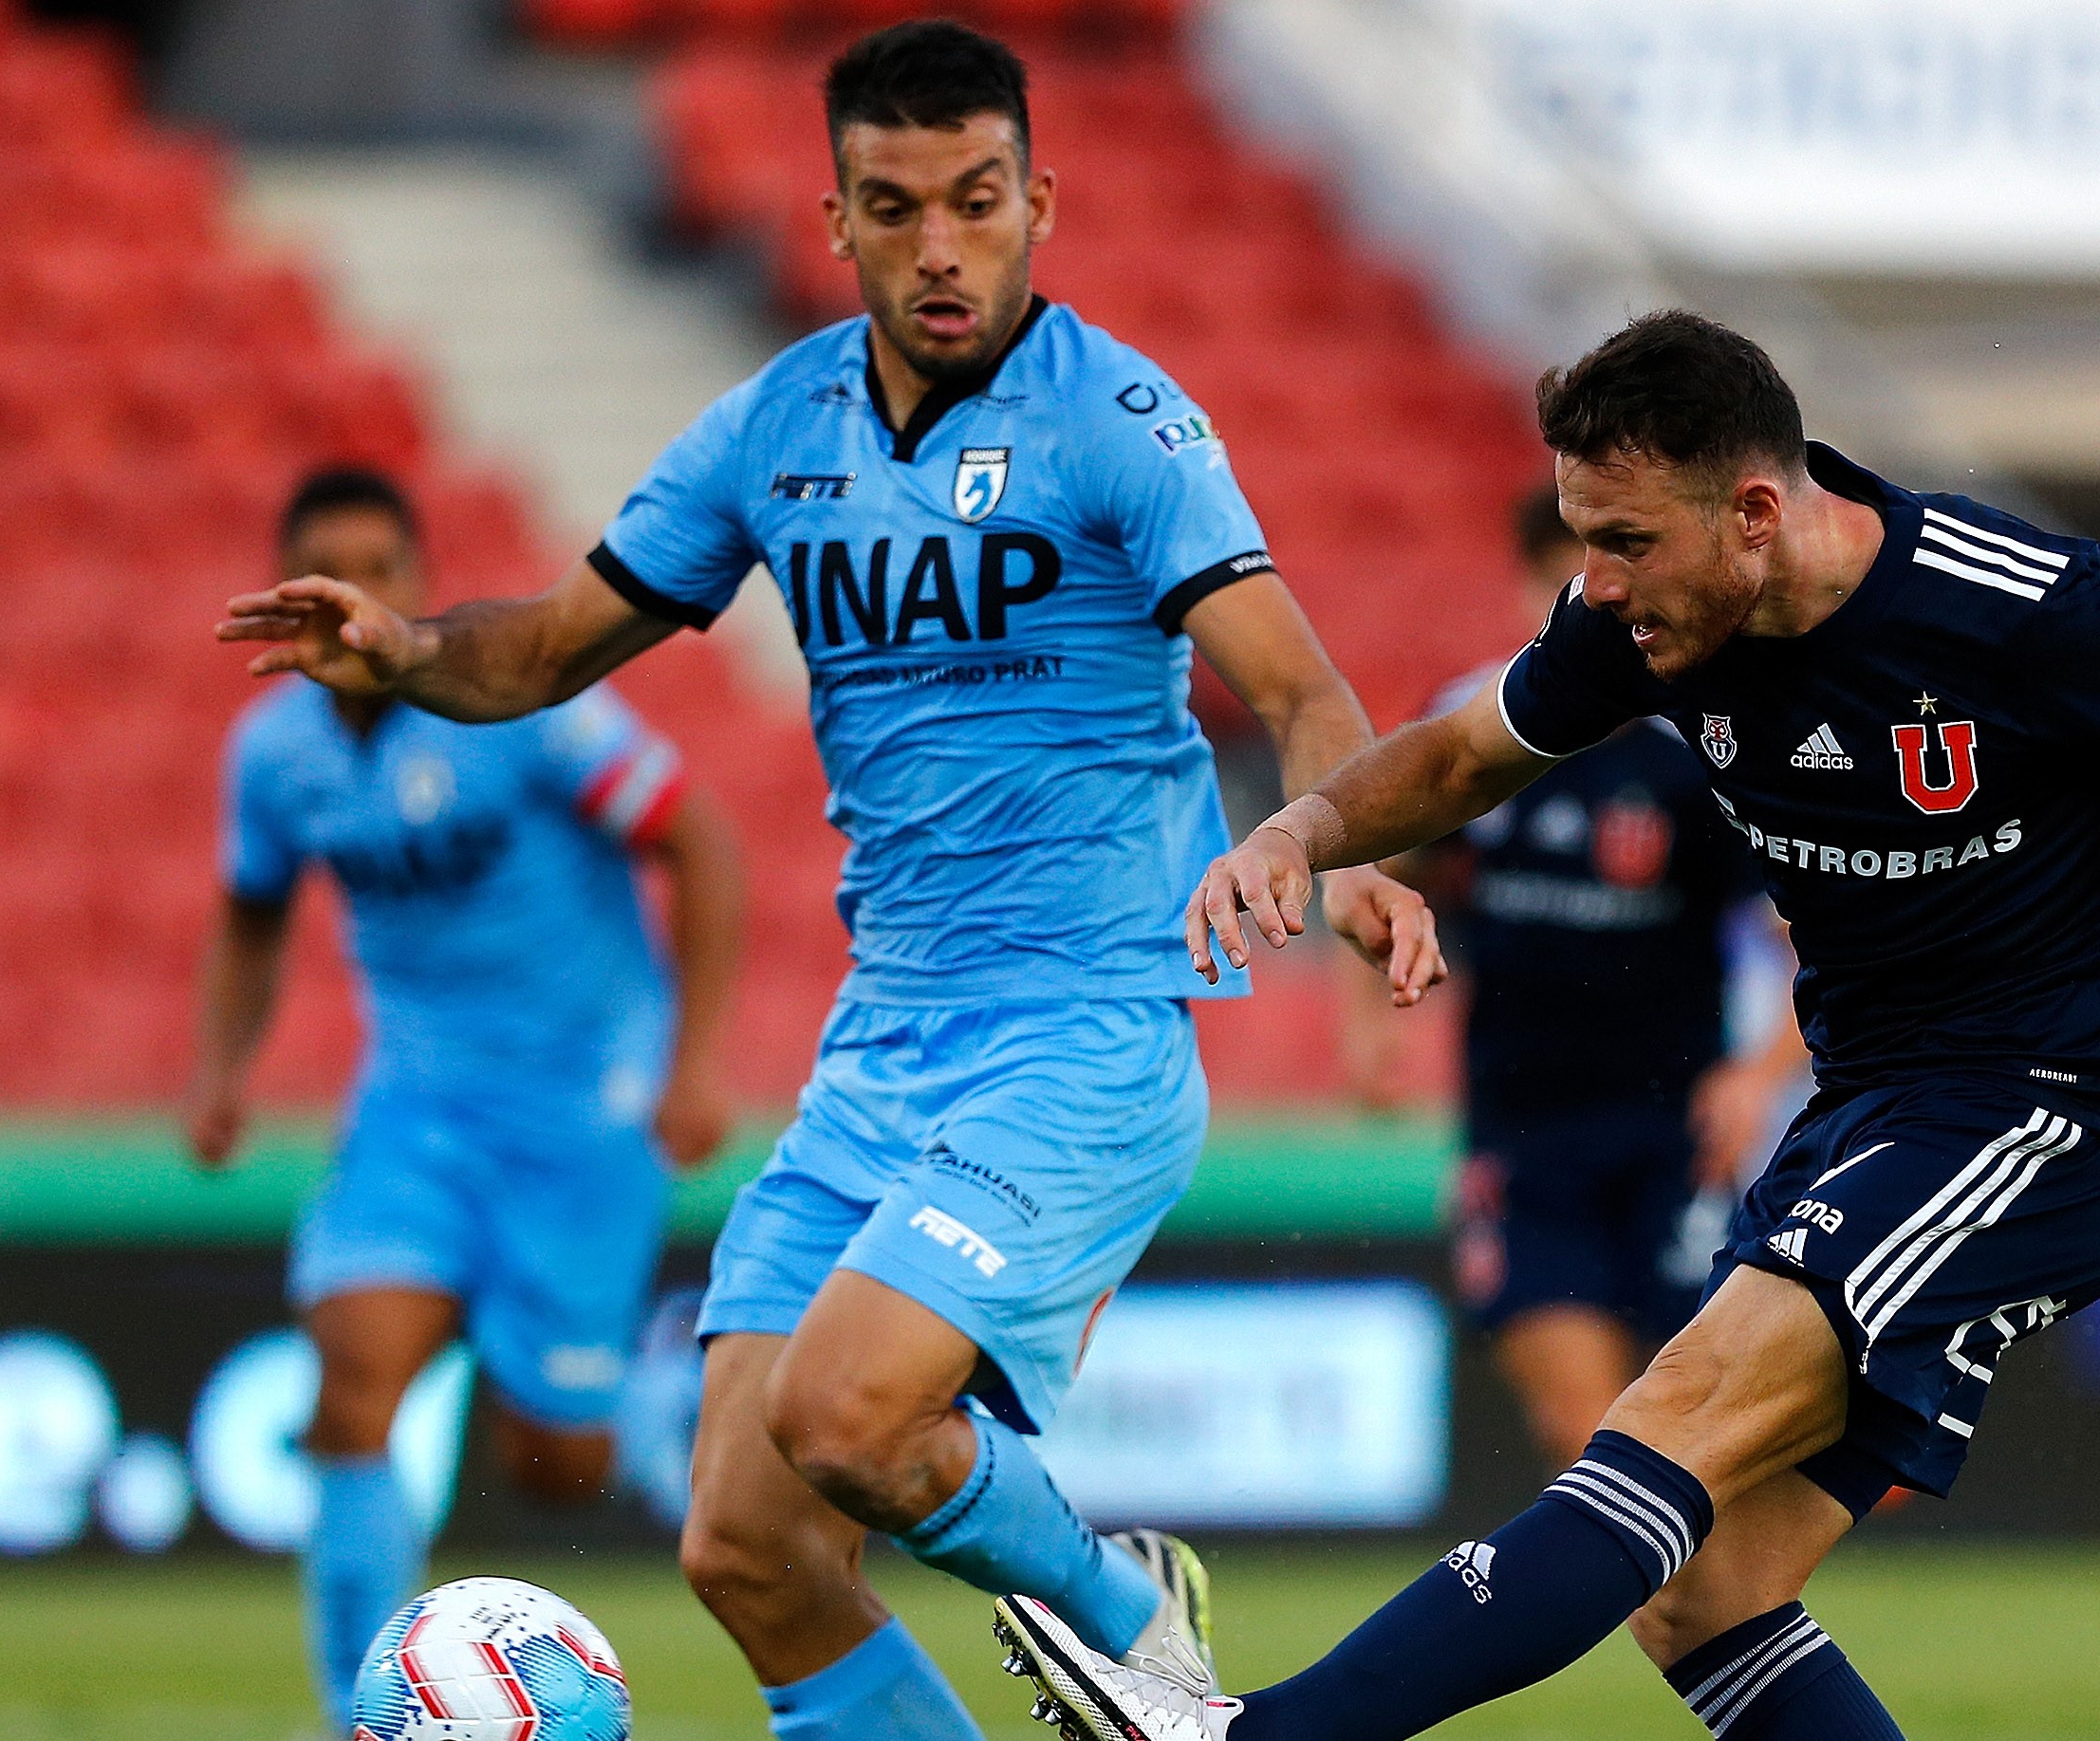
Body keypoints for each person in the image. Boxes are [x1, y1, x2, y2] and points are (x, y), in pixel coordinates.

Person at [214, 24, 1440, 1741]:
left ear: (1039, 204)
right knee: (744, 1542)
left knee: (853, 1419)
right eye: (897, 206)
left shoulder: (1123, 422)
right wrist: (409, 643)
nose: (942, 244)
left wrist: (1343, 851)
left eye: (978, 200)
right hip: (887, 1052)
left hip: (1083, 1033)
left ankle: (1123, 1616)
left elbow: (1300, 690)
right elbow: (552, 649)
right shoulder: (772, 428)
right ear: (838, 217)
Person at [996, 310, 2100, 1741]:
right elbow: (1466, 752)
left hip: (2039, 1111)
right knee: (1703, 1593)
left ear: (1757, 513)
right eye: (1581, 536)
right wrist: (1298, 828)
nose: (1593, 581)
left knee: (1679, 1406)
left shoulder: (2022, 603)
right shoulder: (1642, 621)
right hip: (1870, 1112)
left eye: (1626, 540)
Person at [186, 464, 745, 1724]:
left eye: (381, 569)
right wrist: (222, 1073)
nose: (356, 593)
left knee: (557, 1464)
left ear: (418, 584)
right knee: (349, 1380)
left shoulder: (521, 707)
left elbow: (696, 839)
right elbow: (250, 912)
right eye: (329, 568)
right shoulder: (273, 753)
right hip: (417, 1114)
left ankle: (652, 1398)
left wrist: (693, 1060)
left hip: (580, 1113)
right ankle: (355, 1711)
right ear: (291, 593)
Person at [1362, 489, 1804, 1471]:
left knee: (1688, 1431)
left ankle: (1707, 1613)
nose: (1596, 604)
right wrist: (1374, 1032)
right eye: (1567, 578)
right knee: (1580, 1427)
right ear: (1532, 586)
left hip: (1677, 1138)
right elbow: (1376, 877)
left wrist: (1755, 1075)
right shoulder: (1467, 730)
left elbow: (1818, 939)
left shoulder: (1694, 751)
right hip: (1521, 1139)